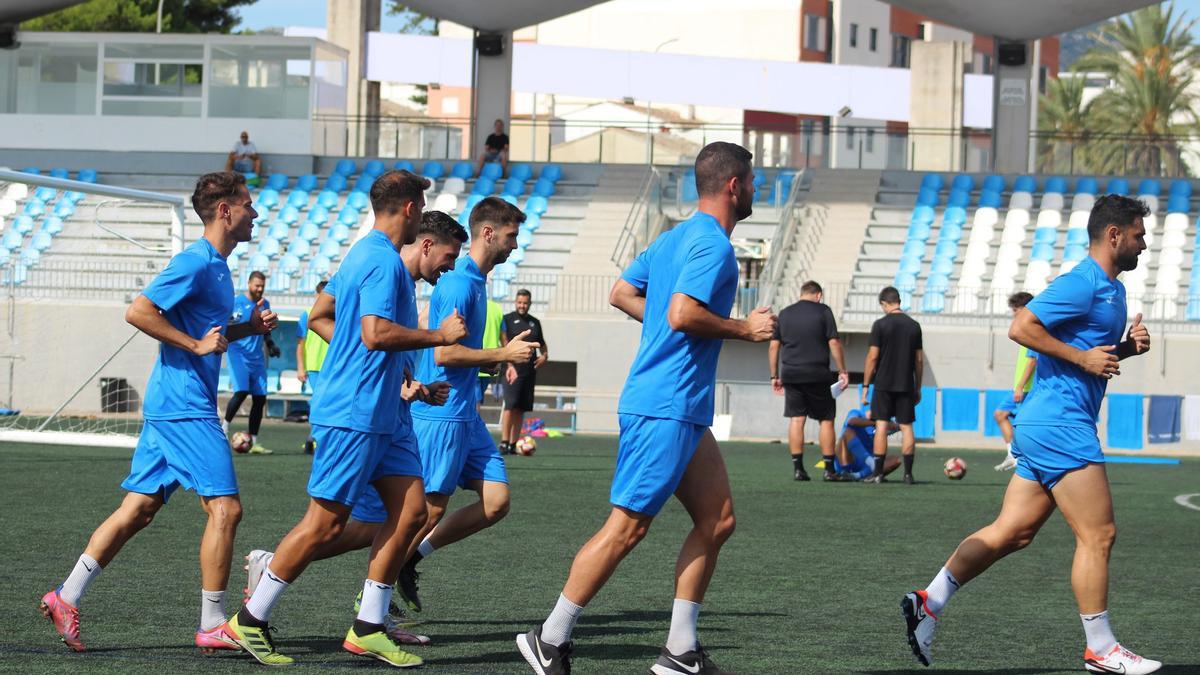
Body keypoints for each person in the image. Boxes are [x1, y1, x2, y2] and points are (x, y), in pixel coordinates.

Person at [516, 141, 776, 675]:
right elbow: (682, 314)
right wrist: (744, 329)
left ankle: (680, 651)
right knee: (626, 528)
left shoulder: (672, 239)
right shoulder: (714, 247)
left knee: (718, 519)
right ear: (733, 186)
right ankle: (550, 635)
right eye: (752, 180)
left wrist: (662, 318)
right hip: (666, 405)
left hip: (679, 405)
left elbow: (620, 293)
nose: (756, 189)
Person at [901, 195, 1158, 674]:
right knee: (1098, 534)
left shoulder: (1115, 291)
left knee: (1012, 532)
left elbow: (1089, 355)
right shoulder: (1081, 283)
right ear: (1114, 235)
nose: (1145, 245)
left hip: (1046, 422)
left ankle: (928, 601)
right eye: (1140, 235)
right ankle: (1101, 650)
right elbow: (1023, 327)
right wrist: (1083, 358)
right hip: (1061, 423)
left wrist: (1127, 349)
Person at [224, 171, 468, 668]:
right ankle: (248, 621)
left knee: (412, 513)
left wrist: (403, 380)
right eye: (420, 205)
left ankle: (368, 626)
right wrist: (439, 338)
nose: (422, 212)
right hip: (355, 414)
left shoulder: (366, 255)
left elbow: (325, 317)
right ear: (407, 209)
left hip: (385, 412)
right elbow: (375, 333)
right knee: (325, 524)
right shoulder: (379, 260)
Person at [39, 172, 277, 653]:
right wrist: (193, 342)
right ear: (225, 211)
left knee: (139, 509)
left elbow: (212, 334)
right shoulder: (193, 262)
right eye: (248, 205)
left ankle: (66, 596)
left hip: (172, 402)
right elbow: (140, 311)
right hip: (184, 405)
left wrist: (248, 327)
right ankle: (212, 624)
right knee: (226, 509)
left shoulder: (217, 267)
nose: (256, 213)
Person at [397, 197, 538, 615]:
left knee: (496, 502)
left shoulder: (476, 282)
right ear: (489, 233)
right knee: (427, 510)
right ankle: (375, 595)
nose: (515, 245)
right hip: (442, 413)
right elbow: (444, 355)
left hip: (465, 413)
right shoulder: (459, 283)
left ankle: (409, 562)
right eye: (512, 235)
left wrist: (495, 361)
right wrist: (502, 355)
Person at [769, 280, 848, 482]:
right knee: (826, 419)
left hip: (791, 373)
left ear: (801, 293)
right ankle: (829, 470)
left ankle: (798, 469)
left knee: (797, 419)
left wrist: (774, 376)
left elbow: (773, 346)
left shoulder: (785, 314)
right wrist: (842, 370)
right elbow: (834, 342)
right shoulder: (823, 312)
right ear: (819, 295)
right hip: (817, 372)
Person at [860, 286, 923, 484]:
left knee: (881, 425)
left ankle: (878, 473)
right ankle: (908, 474)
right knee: (906, 427)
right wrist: (918, 386)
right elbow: (919, 360)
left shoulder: (880, 325)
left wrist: (866, 385)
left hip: (884, 383)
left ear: (884, 303)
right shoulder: (914, 326)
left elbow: (872, 357)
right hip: (905, 383)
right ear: (898, 301)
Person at [222, 270, 279, 454]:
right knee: (241, 392)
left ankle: (253, 442)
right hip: (237, 354)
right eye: (257, 285)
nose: (260, 289)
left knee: (260, 398)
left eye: (262, 286)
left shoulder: (264, 304)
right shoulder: (236, 303)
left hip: (257, 358)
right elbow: (227, 327)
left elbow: (266, 329)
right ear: (248, 284)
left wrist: (270, 344)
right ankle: (223, 430)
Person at [993, 291, 1038, 471]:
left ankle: (1019, 457)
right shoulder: (1026, 328)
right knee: (1001, 415)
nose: (1013, 313)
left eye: (1016, 309)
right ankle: (1013, 455)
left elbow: (1033, 360)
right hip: (1021, 387)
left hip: (1027, 388)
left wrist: (1020, 386)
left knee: (1022, 424)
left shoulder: (1032, 329)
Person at [501, 289, 549, 455]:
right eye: (519, 302)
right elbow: (504, 344)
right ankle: (504, 442)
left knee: (521, 408)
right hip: (512, 370)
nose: (522, 305)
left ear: (530, 303)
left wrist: (545, 356)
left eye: (525, 303)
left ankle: (514, 444)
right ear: (515, 302)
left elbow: (542, 344)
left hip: (529, 371)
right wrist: (509, 365)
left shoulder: (535, 322)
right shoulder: (507, 319)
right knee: (510, 405)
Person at [296, 280, 329, 455]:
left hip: (332, 367)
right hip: (315, 367)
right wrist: (301, 368)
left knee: (325, 403)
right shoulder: (307, 314)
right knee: (320, 402)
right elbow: (300, 344)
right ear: (317, 295)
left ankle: (313, 439)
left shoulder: (337, 313)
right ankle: (316, 439)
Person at [832, 404, 901, 481]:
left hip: (865, 466)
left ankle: (857, 476)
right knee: (847, 433)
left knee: (896, 460)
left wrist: (896, 426)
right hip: (847, 459)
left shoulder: (886, 422)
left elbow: (902, 425)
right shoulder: (857, 413)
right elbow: (852, 422)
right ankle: (872, 466)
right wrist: (877, 424)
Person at [478, 297, 505, 416]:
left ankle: (471, 431)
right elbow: (504, 339)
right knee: (477, 400)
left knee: (474, 402)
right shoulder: (497, 309)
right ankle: (472, 430)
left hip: (472, 361)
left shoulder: (472, 304)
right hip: (490, 364)